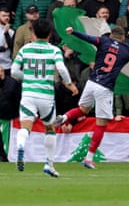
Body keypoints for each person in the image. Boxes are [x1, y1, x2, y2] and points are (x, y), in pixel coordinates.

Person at [55, 26, 129, 169]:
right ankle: (89, 158)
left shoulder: (104, 41)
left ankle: (64, 118)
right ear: (123, 38)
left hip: (91, 83)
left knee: (82, 110)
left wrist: (74, 32)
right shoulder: (128, 50)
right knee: (101, 124)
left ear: (111, 35)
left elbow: (88, 38)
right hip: (104, 88)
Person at [11, 18, 79, 177]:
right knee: (50, 128)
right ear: (50, 34)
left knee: (25, 127)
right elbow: (61, 68)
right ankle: (49, 164)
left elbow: (14, 71)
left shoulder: (25, 49)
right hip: (46, 96)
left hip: (28, 94)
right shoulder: (54, 50)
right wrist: (69, 84)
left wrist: (27, 78)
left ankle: (21, 145)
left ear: (33, 32)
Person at [0, 65, 20, 162]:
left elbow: (18, 99)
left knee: (6, 139)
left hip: (8, 116)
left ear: (2, 72)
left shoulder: (12, 83)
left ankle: (5, 156)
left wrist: (18, 113)